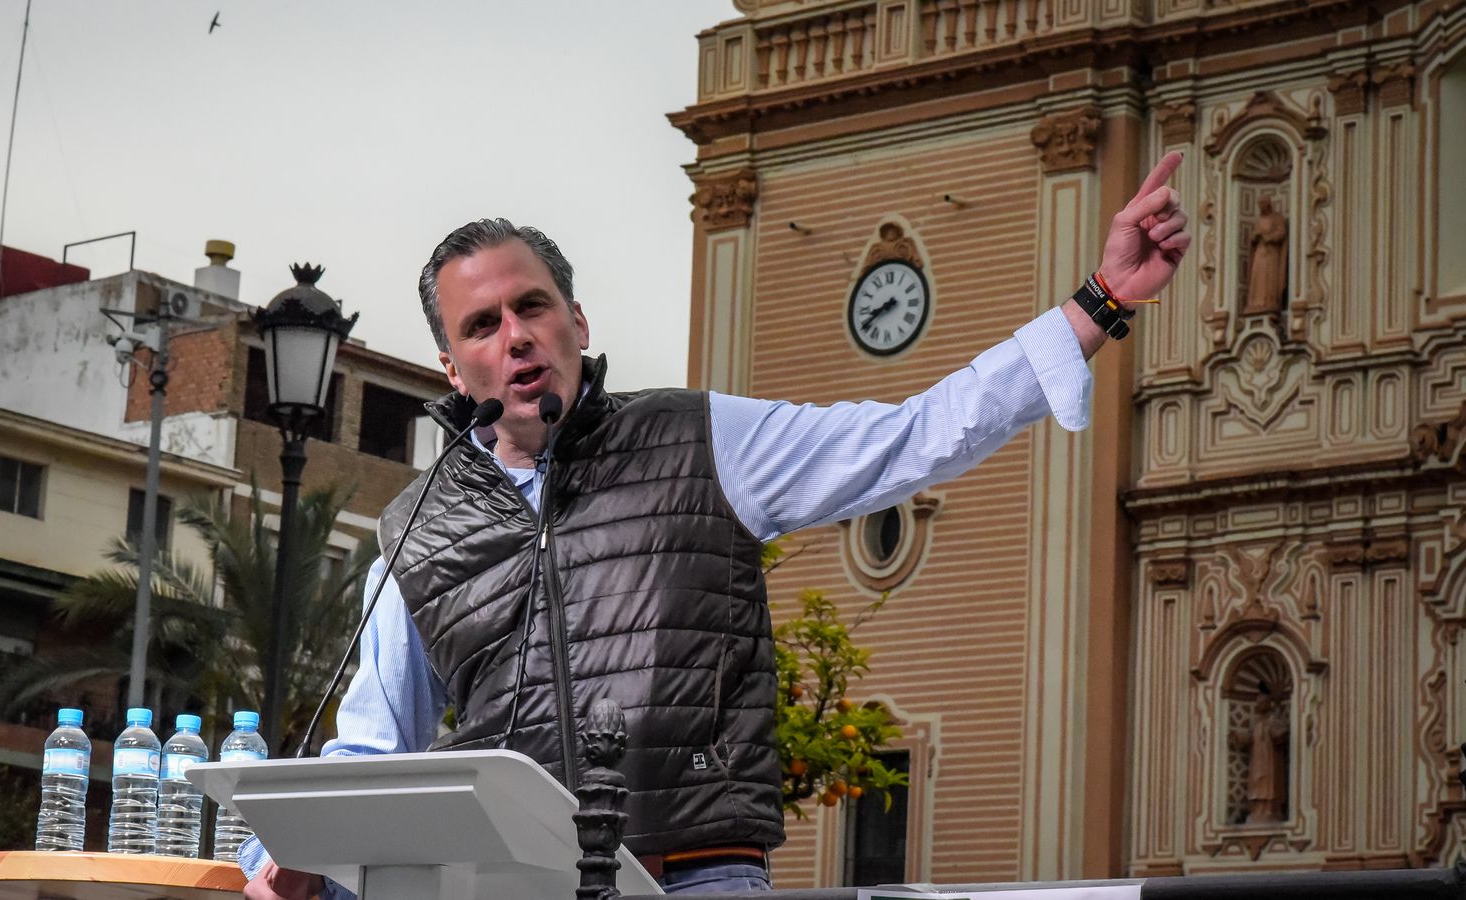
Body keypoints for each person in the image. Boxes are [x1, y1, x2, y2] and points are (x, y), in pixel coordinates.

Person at [242, 152, 1191, 900]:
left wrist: (1100, 304)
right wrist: (284, 860)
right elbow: (373, 751)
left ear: (576, 320)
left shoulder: (704, 437)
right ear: (454, 369)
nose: (515, 336)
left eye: (532, 307)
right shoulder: (415, 530)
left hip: (702, 870)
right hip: (507, 884)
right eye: (482, 325)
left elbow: (912, 438)